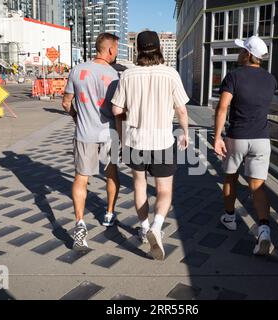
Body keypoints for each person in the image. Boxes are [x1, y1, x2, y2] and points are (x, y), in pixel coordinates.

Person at [112, 31, 190, 261]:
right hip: (162, 142)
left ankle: (144, 228)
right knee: (164, 190)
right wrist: (185, 133)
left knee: (139, 186)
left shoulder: (128, 75)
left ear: (137, 49)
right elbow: (182, 109)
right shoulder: (170, 73)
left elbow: (116, 110)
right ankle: (157, 226)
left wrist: (133, 112)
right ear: (158, 48)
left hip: (135, 141)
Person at [213, 35, 277, 256]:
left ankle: (230, 218)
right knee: (257, 186)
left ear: (248, 54)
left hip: (238, 136)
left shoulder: (234, 76)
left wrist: (217, 137)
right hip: (262, 138)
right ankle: (264, 231)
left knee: (230, 177)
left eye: (241, 50)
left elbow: (222, 108)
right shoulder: (271, 79)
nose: (238, 53)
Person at [62, 33, 121, 250]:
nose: (115, 52)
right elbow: (118, 110)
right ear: (109, 50)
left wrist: (77, 118)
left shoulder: (77, 70)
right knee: (111, 173)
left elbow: (66, 103)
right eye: (115, 48)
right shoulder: (114, 76)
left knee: (81, 178)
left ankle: (79, 223)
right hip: (108, 134)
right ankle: (109, 213)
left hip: (84, 134)